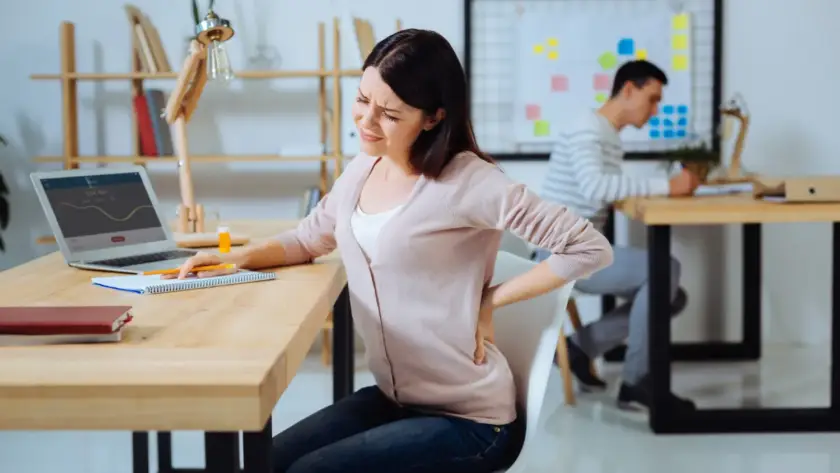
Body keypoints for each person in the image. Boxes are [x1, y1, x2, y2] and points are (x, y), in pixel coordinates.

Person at [172, 29, 613, 473]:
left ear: (432, 118)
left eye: (388, 114)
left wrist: (490, 300)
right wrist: (236, 259)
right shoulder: (365, 166)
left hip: (471, 420)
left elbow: (588, 248)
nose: (365, 122)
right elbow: (309, 238)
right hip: (395, 398)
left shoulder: (469, 182)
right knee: (264, 463)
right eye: (363, 100)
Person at [534, 59, 699, 412]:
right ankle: (637, 381)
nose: (655, 111)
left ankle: (579, 348)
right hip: (559, 253)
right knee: (663, 271)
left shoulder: (606, 135)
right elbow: (596, 188)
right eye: (652, 99)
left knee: (672, 295)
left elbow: (601, 188)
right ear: (628, 89)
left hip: (578, 247)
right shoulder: (588, 128)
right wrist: (667, 186)